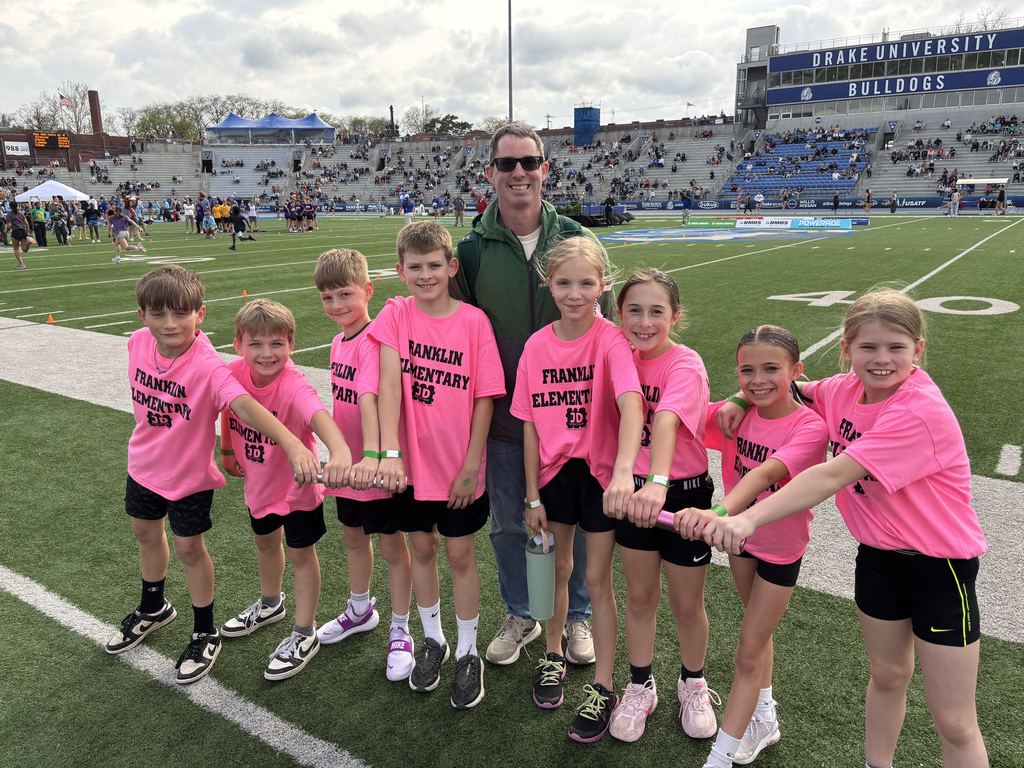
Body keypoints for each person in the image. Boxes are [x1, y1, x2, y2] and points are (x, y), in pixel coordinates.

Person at [705, 290, 989, 768]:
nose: (882, 360)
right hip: (876, 561)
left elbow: (831, 475)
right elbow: (792, 387)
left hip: (939, 570)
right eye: (868, 347)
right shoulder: (842, 389)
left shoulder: (919, 410)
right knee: (887, 677)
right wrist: (737, 396)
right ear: (847, 349)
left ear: (918, 350)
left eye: (896, 347)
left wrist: (747, 517)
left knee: (955, 722)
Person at [104, 265, 322, 685]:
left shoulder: (208, 365)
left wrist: (292, 443)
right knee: (145, 533)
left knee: (189, 548)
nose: (170, 323)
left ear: (199, 314)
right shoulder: (136, 342)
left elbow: (243, 406)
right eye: (158, 314)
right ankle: (153, 607)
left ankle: (204, 631)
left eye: (180, 313)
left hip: (188, 477)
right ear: (142, 316)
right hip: (143, 465)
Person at [451, 122, 615, 669]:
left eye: (528, 162)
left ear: (545, 169)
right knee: (508, 523)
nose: (518, 173)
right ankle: (523, 612)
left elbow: (609, 330)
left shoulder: (576, 238)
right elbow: (458, 328)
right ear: (490, 173)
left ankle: (577, 615)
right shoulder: (471, 250)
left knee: (580, 524)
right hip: (504, 417)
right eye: (507, 164)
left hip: (577, 420)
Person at [676, 325, 827, 767]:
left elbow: (764, 474)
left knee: (748, 648)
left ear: (796, 371)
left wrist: (720, 513)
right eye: (747, 371)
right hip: (739, 542)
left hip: (779, 547)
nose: (758, 380)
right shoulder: (734, 414)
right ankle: (765, 716)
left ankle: (719, 758)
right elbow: (678, 419)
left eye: (771, 369)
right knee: (756, 636)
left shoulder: (810, 426)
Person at [371, 221, 505, 709]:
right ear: (400, 270)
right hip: (408, 468)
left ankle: (469, 651)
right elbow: (388, 385)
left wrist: (471, 464)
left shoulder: (474, 321)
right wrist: (390, 453)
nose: (425, 275)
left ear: (451, 267)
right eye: (415, 267)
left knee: (461, 556)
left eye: (433, 265)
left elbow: (485, 397)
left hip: (458, 467)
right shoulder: (395, 315)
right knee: (421, 550)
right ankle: (434, 639)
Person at [515, 237, 643, 743]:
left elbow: (631, 403)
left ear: (602, 285)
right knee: (554, 567)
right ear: (548, 283)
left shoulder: (611, 339)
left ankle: (604, 685)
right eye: (564, 283)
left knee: (596, 577)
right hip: (552, 477)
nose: (574, 294)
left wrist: (624, 471)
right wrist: (531, 495)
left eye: (586, 283)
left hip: (600, 476)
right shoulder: (536, 345)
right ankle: (552, 655)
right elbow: (529, 425)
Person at [607, 270, 720, 744]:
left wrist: (656, 483)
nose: (645, 322)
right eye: (634, 310)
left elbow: (667, 421)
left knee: (687, 603)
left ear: (675, 316)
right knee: (639, 597)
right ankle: (640, 685)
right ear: (619, 315)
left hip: (681, 495)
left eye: (657, 311)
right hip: (633, 493)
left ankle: (693, 681)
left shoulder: (685, 363)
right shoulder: (618, 355)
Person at [218, 300, 353, 680]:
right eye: (256, 344)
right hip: (260, 484)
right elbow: (228, 409)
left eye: (276, 343)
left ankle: (304, 632)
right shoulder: (231, 373)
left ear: (291, 344)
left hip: (297, 491)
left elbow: (319, 417)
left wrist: (340, 452)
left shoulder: (294, 385)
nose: (267, 353)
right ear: (238, 344)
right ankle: (270, 603)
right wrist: (227, 448)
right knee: (265, 543)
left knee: (301, 554)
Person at [313, 248, 415, 683]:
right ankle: (360, 609)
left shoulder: (375, 340)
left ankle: (401, 627)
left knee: (392, 547)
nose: (336, 304)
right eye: (327, 297)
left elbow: (371, 400)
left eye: (345, 294)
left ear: (368, 290)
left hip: (374, 467)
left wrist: (373, 457)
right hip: (349, 467)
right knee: (353, 537)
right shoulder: (339, 342)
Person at [5, 201, 33, 270]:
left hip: (16, 231)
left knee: (15, 249)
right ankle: (29, 242)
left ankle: (22, 264)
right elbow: (27, 223)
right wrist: (27, 232)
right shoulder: (21, 214)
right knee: (24, 250)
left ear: (10, 207)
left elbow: (9, 226)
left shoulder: (9, 215)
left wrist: (6, 231)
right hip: (23, 231)